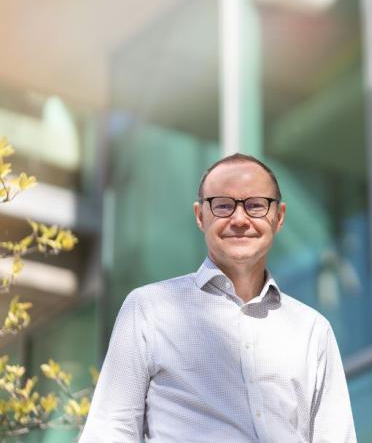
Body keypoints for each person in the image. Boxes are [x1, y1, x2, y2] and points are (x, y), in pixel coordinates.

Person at [80, 154, 357, 442]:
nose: (239, 219)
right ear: (200, 216)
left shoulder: (312, 330)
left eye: (256, 205)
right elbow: (109, 430)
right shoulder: (149, 309)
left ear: (279, 217)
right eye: (223, 205)